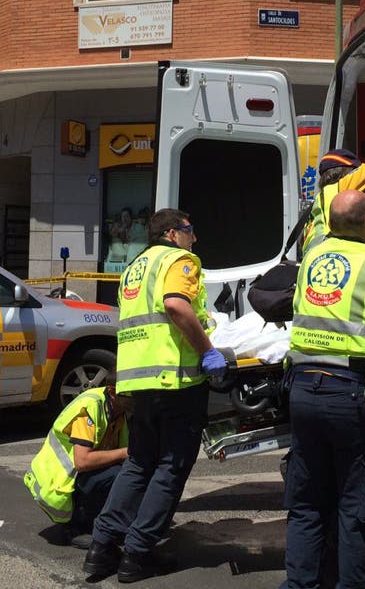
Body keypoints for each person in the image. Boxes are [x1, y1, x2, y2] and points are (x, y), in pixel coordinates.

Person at [83, 208, 228, 583]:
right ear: (172, 233)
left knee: (139, 463)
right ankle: (137, 552)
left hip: (137, 381)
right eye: (190, 230)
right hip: (174, 379)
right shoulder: (179, 260)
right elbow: (176, 306)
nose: (194, 238)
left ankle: (101, 549)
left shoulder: (134, 267)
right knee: (170, 466)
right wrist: (207, 350)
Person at [283, 190, 365, 589]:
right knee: (356, 506)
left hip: (302, 389)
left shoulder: (312, 258)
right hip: (351, 394)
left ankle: (300, 585)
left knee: (306, 503)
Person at [24, 383, 130, 548]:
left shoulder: (119, 411)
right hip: (59, 483)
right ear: (112, 391)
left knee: (127, 472)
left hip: (76, 478)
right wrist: (125, 453)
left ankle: (98, 521)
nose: (137, 399)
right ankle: (77, 527)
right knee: (118, 474)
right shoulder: (90, 407)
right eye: (131, 394)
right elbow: (82, 461)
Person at [301, 101, 365, 255]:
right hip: (330, 254)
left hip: (314, 257)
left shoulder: (320, 200)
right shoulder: (343, 186)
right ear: (347, 171)